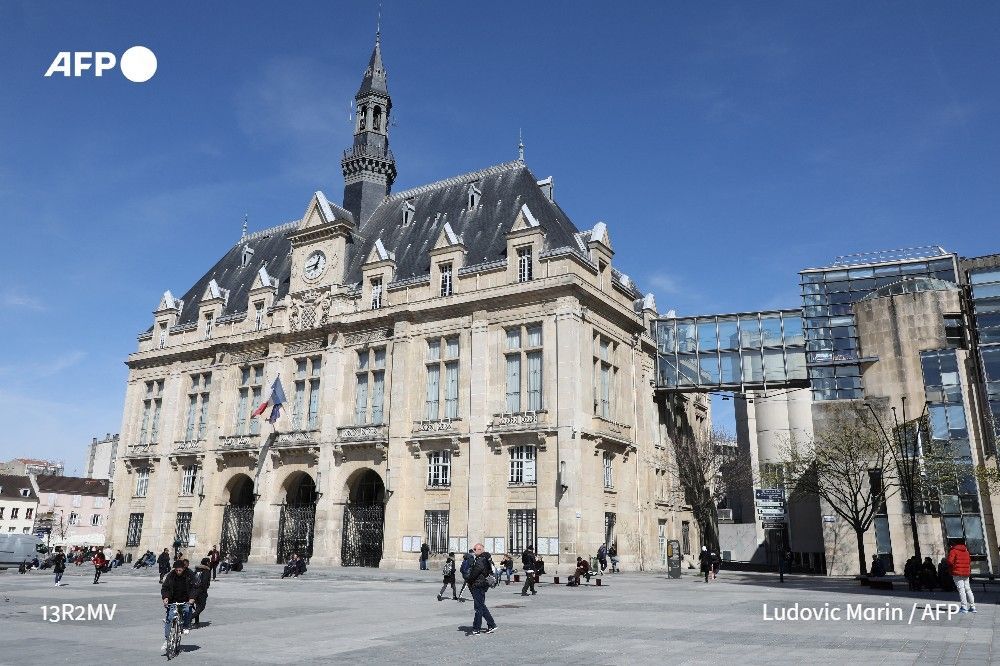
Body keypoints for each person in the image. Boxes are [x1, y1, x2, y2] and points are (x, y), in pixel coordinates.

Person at [160, 560, 196, 654]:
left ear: (183, 568)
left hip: (185, 600)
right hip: (173, 600)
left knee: (188, 610)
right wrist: (165, 598)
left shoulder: (189, 575)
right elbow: (165, 588)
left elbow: (194, 587)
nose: (178, 572)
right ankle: (167, 640)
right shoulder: (171, 576)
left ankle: (185, 626)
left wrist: (192, 598)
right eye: (176, 570)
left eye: (180, 570)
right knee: (169, 618)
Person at [464, 543, 497, 635]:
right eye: (474, 549)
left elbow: (475, 573)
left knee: (478, 607)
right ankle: (491, 625)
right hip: (482, 584)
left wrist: (469, 580)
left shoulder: (480, 560)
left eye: (476, 549)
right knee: (481, 606)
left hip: (478, 585)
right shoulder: (485, 559)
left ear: (481, 550)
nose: (474, 551)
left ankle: (476, 628)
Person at [947, 539, 976, 613]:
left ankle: (964, 607)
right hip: (966, 573)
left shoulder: (953, 550)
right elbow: (969, 561)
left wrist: (953, 567)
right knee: (968, 589)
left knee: (961, 589)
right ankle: (972, 607)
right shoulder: (966, 551)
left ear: (952, 544)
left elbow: (950, 561)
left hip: (957, 573)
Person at [192, 557, 212, 626]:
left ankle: (196, 622)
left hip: (194, 590)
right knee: (201, 607)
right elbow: (204, 582)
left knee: (197, 606)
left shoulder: (197, 570)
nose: (210, 563)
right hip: (201, 591)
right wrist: (204, 590)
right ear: (207, 563)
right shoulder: (206, 571)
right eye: (209, 562)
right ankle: (189, 618)